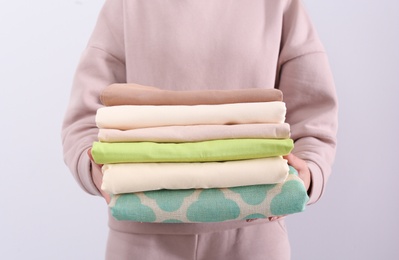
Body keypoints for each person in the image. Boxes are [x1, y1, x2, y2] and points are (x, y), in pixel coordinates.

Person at [61, 0, 338, 259]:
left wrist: (309, 172)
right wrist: (97, 171)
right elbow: (86, 117)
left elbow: (312, 106)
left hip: (254, 236)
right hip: (143, 238)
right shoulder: (128, 4)